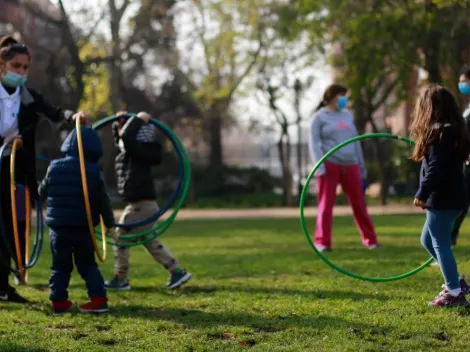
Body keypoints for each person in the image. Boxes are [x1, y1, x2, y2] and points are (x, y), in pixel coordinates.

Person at [0, 35, 88, 303]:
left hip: (17, 168)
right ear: (1, 66)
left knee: (18, 223)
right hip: (2, 161)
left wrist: (73, 116)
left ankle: (12, 274)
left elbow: (54, 112)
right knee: (2, 225)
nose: (22, 72)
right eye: (16, 66)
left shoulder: (27, 96)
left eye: (26, 67)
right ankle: (3, 286)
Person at [105, 111, 192, 291]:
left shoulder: (141, 151)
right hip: (138, 204)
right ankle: (175, 270)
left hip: (141, 205)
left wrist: (136, 119)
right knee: (147, 239)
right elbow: (122, 140)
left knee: (120, 238)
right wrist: (118, 124)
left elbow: (128, 138)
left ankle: (120, 278)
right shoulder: (130, 152)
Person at [38, 126, 115, 315]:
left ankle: (58, 302)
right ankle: (98, 299)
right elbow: (103, 199)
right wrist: (109, 224)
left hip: (59, 228)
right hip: (83, 227)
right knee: (87, 263)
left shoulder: (54, 166)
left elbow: (41, 192)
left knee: (60, 266)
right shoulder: (94, 170)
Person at [410, 84, 470, 307]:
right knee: (427, 240)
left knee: (440, 243)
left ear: (429, 108)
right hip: (452, 198)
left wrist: (422, 192)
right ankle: (456, 282)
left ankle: (454, 293)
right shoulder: (451, 130)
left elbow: (436, 166)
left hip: (443, 199)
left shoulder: (442, 133)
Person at [309, 84, 379, 252]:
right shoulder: (319, 117)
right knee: (326, 205)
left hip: (350, 164)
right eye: (342, 96)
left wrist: (361, 165)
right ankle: (322, 242)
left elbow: (355, 141)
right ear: (332, 96)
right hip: (330, 164)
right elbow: (313, 143)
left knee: (359, 204)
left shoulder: (347, 115)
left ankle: (371, 240)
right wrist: (319, 165)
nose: (345, 100)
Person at [450, 67, 470, 246]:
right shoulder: (468, 106)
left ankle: (450, 235)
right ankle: (451, 235)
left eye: (464, 81)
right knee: (462, 200)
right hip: (467, 160)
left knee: (462, 199)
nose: (462, 85)